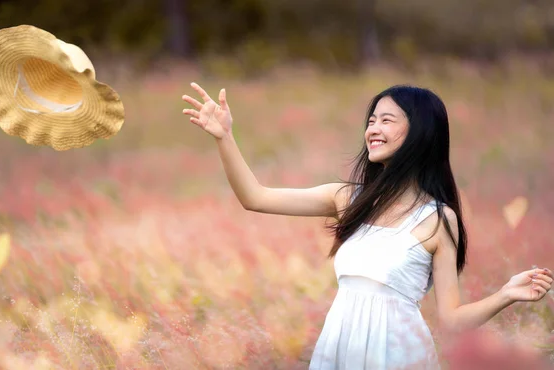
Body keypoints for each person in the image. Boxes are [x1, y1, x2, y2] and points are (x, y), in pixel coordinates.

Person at [181, 82, 553, 369]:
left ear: (420, 132)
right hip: (340, 347)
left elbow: (451, 319)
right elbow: (255, 197)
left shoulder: (439, 220)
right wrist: (225, 137)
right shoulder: (347, 199)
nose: (373, 128)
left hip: (398, 355)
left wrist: (506, 294)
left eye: (386, 120)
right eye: (371, 120)